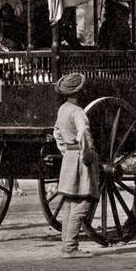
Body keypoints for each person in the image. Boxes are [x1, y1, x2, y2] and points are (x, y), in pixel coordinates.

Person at [52, 72, 98, 258]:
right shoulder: (78, 112)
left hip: (69, 157)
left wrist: (65, 150)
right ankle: (70, 248)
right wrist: (87, 155)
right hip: (80, 158)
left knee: (70, 203)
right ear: (80, 91)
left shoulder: (63, 109)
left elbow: (57, 132)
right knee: (83, 203)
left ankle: (67, 246)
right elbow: (84, 134)